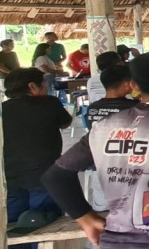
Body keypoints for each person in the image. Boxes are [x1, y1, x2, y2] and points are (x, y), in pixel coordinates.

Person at [42, 51, 149, 249]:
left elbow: (56, 176)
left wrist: (84, 217)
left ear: (134, 85)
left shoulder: (105, 125)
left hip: (114, 239)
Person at [4, 68, 72, 247]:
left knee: (12, 225)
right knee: (41, 221)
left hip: (10, 176)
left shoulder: (3, 109)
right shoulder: (49, 103)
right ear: (32, 86)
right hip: (43, 175)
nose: (46, 86)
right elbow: (66, 122)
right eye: (43, 82)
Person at [83, 65, 137, 213]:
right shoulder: (135, 108)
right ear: (127, 84)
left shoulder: (93, 108)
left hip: (99, 172)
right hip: (127, 174)